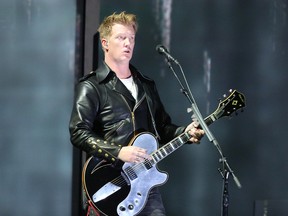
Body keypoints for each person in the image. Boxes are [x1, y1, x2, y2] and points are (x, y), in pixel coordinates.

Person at [69, 11, 204, 216]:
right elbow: (78, 132)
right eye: (121, 37)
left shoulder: (146, 85)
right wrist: (118, 152)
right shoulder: (92, 86)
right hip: (109, 182)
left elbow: (163, 128)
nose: (127, 43)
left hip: (145, 183)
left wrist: (185, 132)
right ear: (105, 43)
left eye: (131, 38)